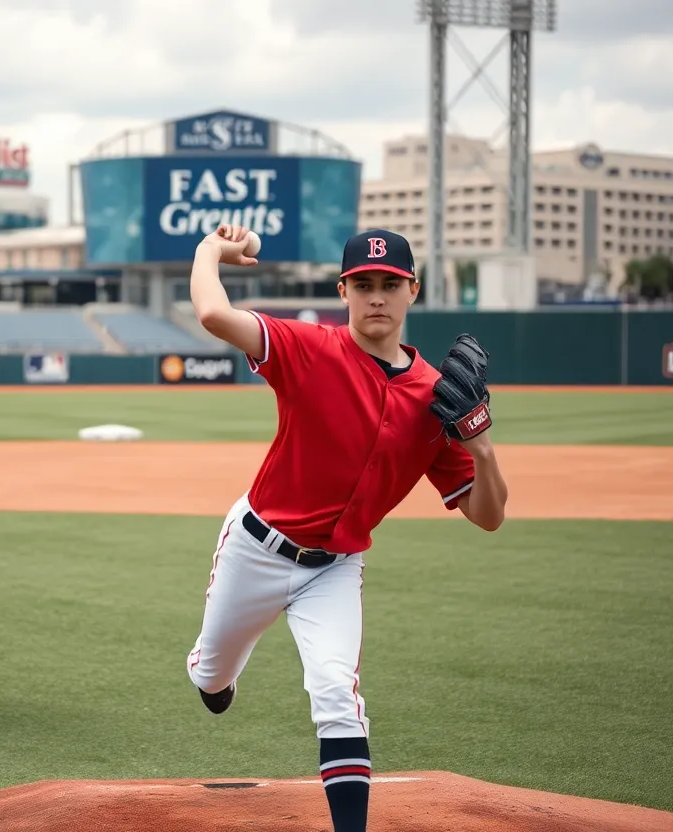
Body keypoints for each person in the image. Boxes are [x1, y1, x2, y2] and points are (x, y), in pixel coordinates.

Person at [184, 225, 509, 831]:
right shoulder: (308, 347)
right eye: (364, 284)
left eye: (390, 284)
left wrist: (482, 446)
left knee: (337, 694)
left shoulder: (438, 398)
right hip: (255, 548)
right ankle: (214, 673)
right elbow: (211, 312)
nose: (377, 296)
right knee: (212, 676)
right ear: (344, 290)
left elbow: (488, 517)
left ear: (412, 291)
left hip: (334, 569)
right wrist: (209, 251)